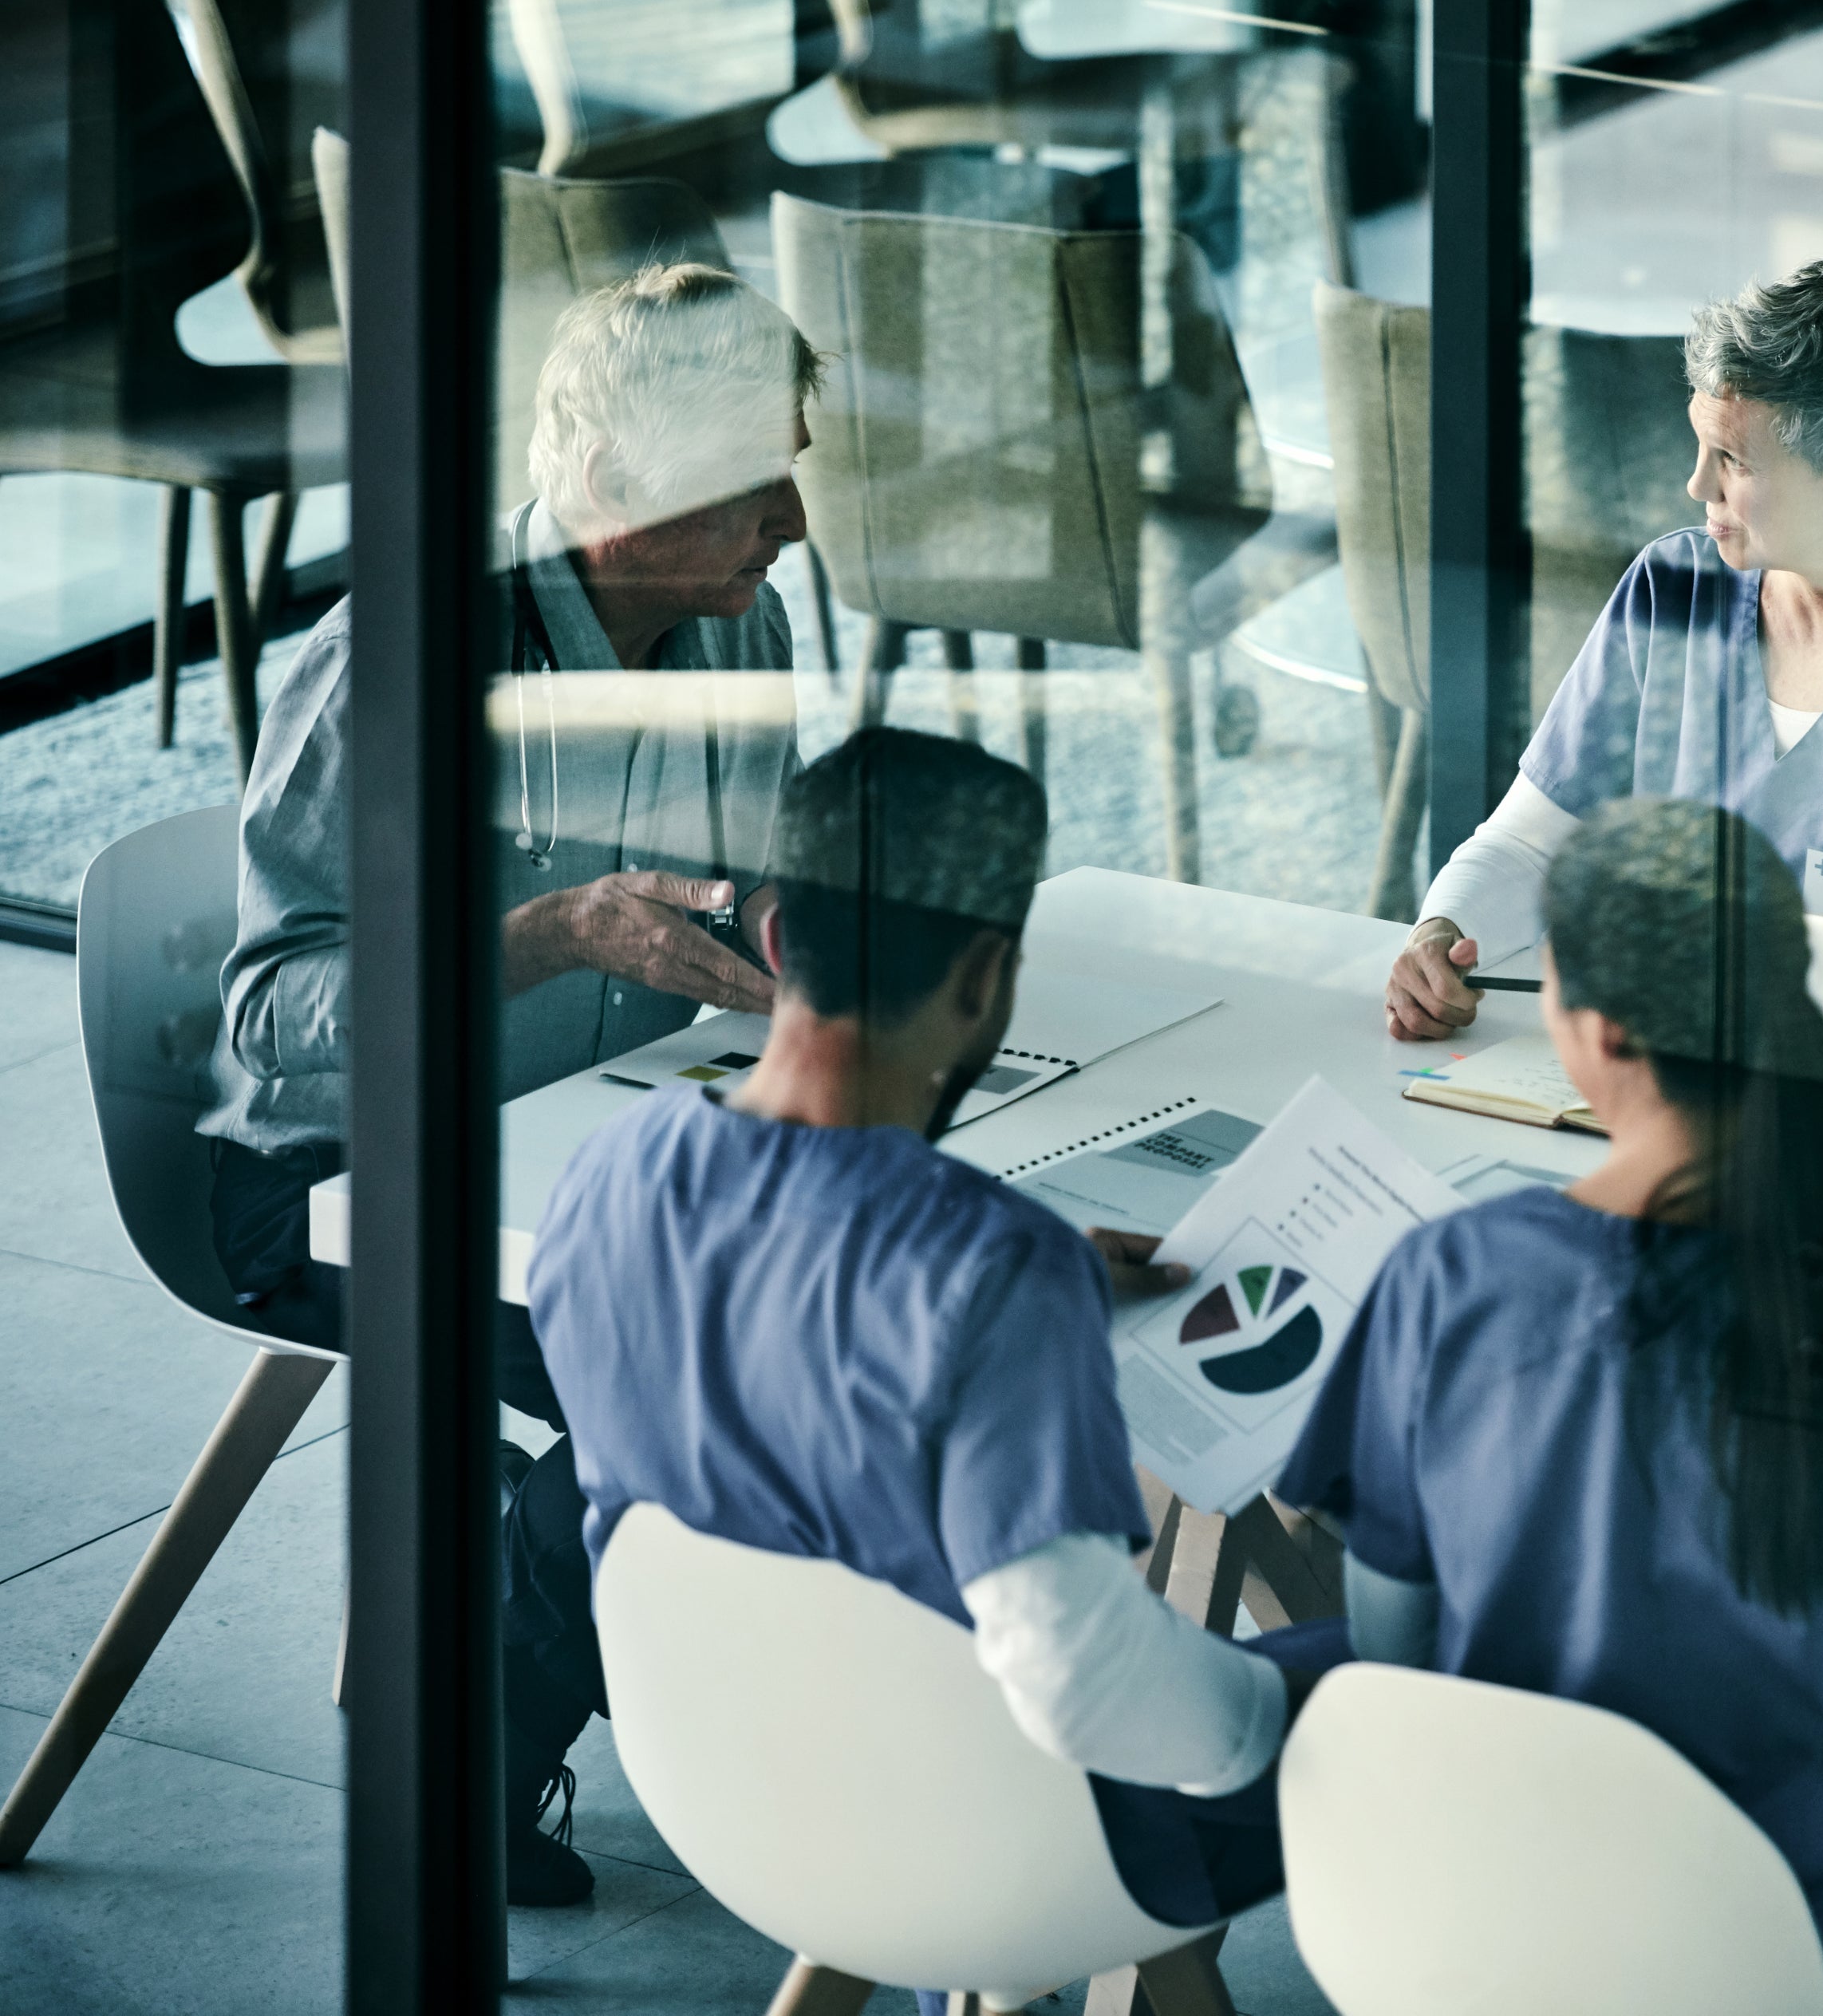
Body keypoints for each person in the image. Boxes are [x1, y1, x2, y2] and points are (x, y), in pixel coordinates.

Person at [528, 731, 1340, 2010]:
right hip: (993, 1844)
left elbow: (788, 1348)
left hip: (735, 1801)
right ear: (987, 977)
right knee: (1372, 1672)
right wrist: (1303, 1722)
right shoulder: (993, 1276)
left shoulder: (606, 1184)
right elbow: (1086, 1679)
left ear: (780, 938)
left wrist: (1016, 1268)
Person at [199, 262, 815, 1902]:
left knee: (851, 1318)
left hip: (605, 1142)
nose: (797, 520)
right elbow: (268, 1015)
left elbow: (759, 872)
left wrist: (802, 929)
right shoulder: (397, 658)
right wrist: (550, 930)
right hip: (345, 1181)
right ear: (616, 488)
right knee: (737, 1382)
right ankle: (468, 1770)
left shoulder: (736, 611)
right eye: (761, 480)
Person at [1292, 798, 1823, 2016]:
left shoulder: (1442, 1280)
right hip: (1794, 1966)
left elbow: (1396, 1654)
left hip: (1484, 1939)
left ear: (1586, 1029)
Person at [1383, 259, 1823, 1040]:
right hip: (1651, 1070)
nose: (1697, 485)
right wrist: (1439, 932)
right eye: (1701, 448)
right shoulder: (1673, 588)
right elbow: (1530, 842)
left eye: (1733, 460)